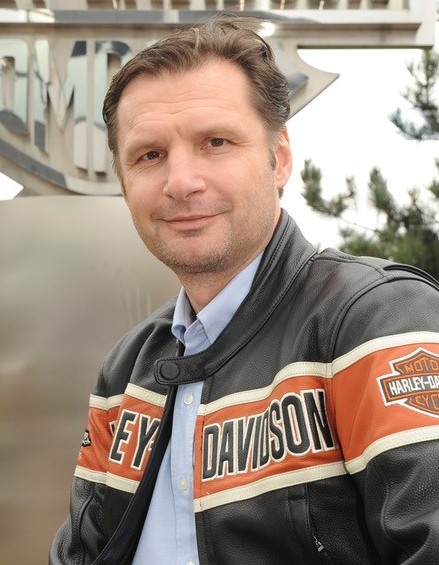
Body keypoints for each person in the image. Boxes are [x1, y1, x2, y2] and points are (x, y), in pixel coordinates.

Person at [50, 15, 439, 565]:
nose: (181, 182)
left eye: (216, 142)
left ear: (280, 158)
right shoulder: (126, 371)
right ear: (123, 181)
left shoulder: (377, 323)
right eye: (149, 155)